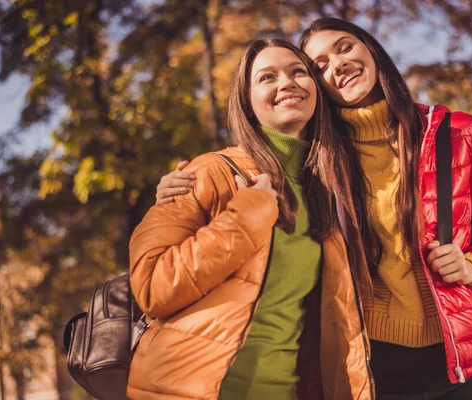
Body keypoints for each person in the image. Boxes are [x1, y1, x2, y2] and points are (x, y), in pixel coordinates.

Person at [156, 18, 472, 400]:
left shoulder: (455, 132)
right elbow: (250, 174)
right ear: (318, 86)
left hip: (466, 362)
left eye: (345, 47)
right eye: (319, 66)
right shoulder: (315, 159)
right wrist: (187, 192)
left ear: (370, 49)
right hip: (370, 367)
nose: (338, 63)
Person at [128, 38, 374, 400]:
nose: (286, 83)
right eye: (267, 77)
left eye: (298, 72)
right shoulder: (208, 171)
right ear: (247, 102)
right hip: (193, 390)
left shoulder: (327, 192)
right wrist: (247, 214)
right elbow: (152, 287)